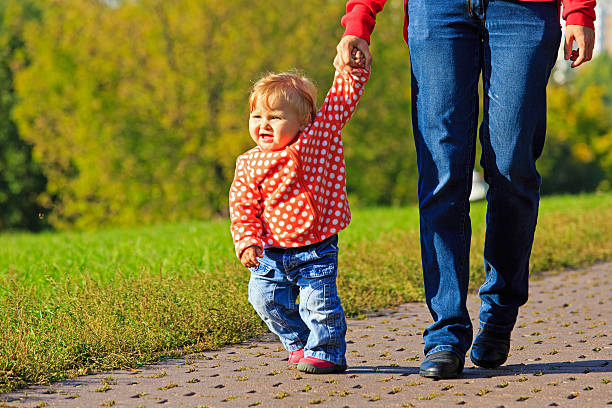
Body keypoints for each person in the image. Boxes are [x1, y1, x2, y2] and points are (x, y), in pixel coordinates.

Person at [334, 0, 596, 379]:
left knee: (512, 167)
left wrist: (578, 12)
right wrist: (359, 19)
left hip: (522, 13)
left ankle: (500, 310)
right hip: (438, 11)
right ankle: (446, 333)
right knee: (441, 174)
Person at [229, 51, 369, 374]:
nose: (264, 125)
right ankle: (300, 343)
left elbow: (340, 101)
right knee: (264, 299)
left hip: (315, 247)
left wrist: (352, 71)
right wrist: (248, 241)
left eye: (275, 118)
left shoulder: (316, 139)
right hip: (271, 252)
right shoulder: (248, 163)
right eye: (256, 117)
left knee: (317, 303)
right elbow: (242, 206)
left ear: (304, 120)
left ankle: (328, 352)